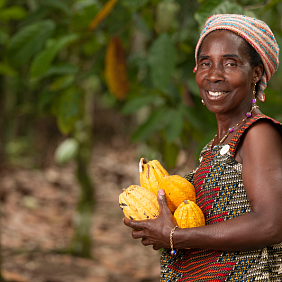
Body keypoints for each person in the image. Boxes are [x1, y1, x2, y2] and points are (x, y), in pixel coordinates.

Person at [123, 14, 282, 281]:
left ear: (256, 72)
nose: (214, 75)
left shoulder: (258, 133)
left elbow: (271, 224)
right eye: (205, 63)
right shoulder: (214, 146)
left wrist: (175, 237)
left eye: (230, 63)